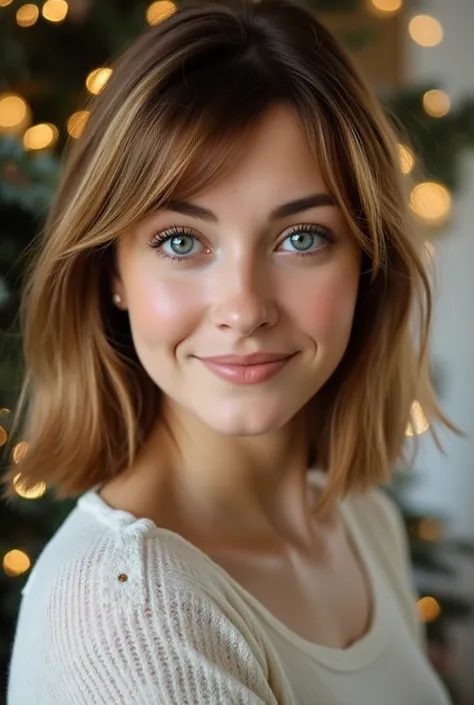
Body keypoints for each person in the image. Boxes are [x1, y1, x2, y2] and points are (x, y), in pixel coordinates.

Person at [4, 0, 457, 703]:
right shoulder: (131, 615)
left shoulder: (360, 520)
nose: (244, 308)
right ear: (112, 273)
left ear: (368, 262)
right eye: (181, 241)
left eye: (301, 237)